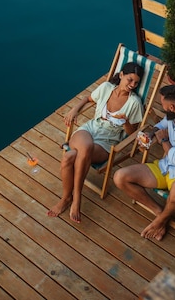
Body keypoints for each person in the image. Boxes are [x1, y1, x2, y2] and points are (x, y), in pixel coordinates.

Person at [47, 62, 145, 223]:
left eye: (136, 83)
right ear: (121, 75)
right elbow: (88, 98)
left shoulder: (134, 103)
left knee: (68, 158)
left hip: (107, 141)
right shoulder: (106, 87)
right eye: (129, 80)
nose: (132, 85)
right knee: (85, 147)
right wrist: (74, 109)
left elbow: (132, 133)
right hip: (89, 130)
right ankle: (75, 198)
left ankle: (67, 198)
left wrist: (126, 121)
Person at [113, 84, 175, 241]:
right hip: (165, 167)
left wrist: (164, 140)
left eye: (164, 106)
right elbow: (160, 125)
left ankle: (158, 222)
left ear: (172, 107)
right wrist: (151, 134)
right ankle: (161, 214)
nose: (163, 108)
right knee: (120, 177)